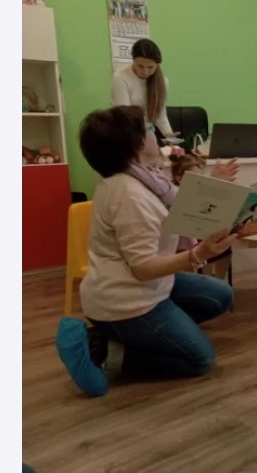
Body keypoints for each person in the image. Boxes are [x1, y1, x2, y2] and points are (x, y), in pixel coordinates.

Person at [55, 105, 239, 397]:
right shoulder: (129, 195)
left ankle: (153, 335)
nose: (158, 135)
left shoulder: (144, 176)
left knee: (221, 295)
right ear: (138, 144)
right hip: (125, 301)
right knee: (200, 359)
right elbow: (142, 268)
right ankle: (103, 348)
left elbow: (181, 201)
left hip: (153, 286)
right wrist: (197, 254)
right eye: (151, 130)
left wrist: (214, 182)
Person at [170, 153, 233, 281]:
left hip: (197, 234)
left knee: (225, 245)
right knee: (212, 246)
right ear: (179, 178)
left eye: (201, 177)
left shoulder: (196, 192)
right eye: (195, 177)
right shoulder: (174, 194)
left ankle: (215, 280)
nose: (200, 181)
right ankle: (205, 280)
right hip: (183, 243)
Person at [111, 39, 175, 151]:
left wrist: (169, 136)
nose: (145, 72)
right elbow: (125, 116)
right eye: (140, 66)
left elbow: (160, 116)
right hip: (124, 133)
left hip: (147, 134)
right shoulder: (121, 77)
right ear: (133, 60)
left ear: (157, 65)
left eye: (150, 67)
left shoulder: (162, 82)